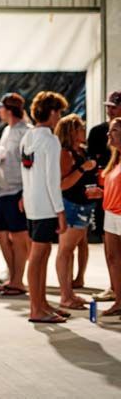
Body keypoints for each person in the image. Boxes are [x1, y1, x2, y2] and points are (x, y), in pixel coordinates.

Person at [21, 91, 70, 323]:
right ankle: (36, 308)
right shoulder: (50, 140)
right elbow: (52, 179)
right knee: (38, 256)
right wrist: (60, 212)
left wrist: (24, 195)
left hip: (32, 203)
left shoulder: (27, 138)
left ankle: (40, 303)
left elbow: (27, 172)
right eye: (59, 112)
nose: (59, 117)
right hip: (46, 206)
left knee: (40, 255)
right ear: (51, 113)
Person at [55, 114, 103, 310]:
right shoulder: (65, 154)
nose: (84, 131)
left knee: (71, 250)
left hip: (83, 205)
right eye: (80, 128)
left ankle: (70, 292)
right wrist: (83, 169)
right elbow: (63, 184)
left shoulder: (82, 151)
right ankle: (65, 296)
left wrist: (92, 190)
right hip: (71, 206)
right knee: (65, 251)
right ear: (71, 132)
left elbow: (80, 183)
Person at [0, 93, 32, 296]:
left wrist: (26, 192)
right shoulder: (7, 130)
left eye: (1, 108)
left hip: (18, 189)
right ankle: (13, 276)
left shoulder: (26, 131)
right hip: (4, 188)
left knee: (18, 237)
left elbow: (30, 163)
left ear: (9, 110)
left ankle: (18, 281)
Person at [87, 91, 121, 302]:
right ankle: (117, 295)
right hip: (109, 209)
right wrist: (102, 192)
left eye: (114, 106)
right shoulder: (113, 158)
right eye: (108, 106)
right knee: (112, 255)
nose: (109, 110)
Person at [100, 117, 121, 317]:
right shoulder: (115, 159)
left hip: (120, 214)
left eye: (113, 130)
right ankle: (119, 301)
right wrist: (101, 193)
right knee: (113, 259)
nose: (109, 134)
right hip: (110, 213)